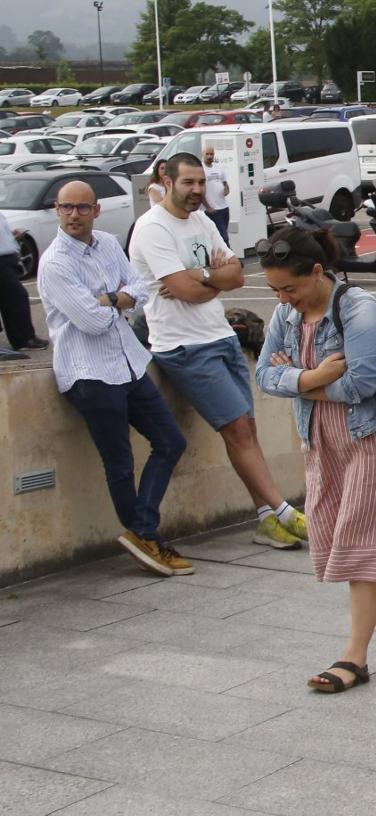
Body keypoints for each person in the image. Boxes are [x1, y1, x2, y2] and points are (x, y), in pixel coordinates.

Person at [255, 227, 376, 694]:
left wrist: (296, 378)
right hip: (321, 441)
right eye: (274, 290)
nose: (284, 299)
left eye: (290, 288)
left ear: (316, 271)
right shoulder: (284, 315)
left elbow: (361, 385)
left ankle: (354, 659)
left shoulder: (358, 308)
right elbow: (263, 374)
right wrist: (313, 375)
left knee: (356, 545)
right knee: (338, 544)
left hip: (373, 439)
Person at [128, 152, 308, 550]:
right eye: (188, 183)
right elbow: (186, 292)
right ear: (166, 179)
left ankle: (266, 520)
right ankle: (283, 511)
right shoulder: (152, 229)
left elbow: (237, 275)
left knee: (246, 429)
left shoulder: (201, 220)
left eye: (200, 183)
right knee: (238, 429)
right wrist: (206, 279)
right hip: (184, 347)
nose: (196, 191)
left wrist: (201, 275)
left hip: (220, 336)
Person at [37, 181, 189, 576]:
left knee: (171, 441)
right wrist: (115, 299)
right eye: (66, 207)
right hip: (89, 374)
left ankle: (141, 531)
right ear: (57, 210)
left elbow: (141, 288)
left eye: (82, 208)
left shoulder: (106, 242)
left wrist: (110, 298)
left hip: (129, 363)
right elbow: (88, 322)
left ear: (96, 210)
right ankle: (147, 537)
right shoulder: (55, 263)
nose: (73, 215)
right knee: (119, 462)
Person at [0, 211, 47, 357]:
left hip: (7, 260)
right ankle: (24, 339)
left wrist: (11, 236)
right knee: (17, 296)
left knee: (13, 298)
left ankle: (24, 338)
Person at [202, 146, 231, 244]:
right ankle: (230, 256)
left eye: (212, 154)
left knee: (222, 235)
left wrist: (226, 189)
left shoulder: (219, 167)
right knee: (224, 237)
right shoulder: (201, 169)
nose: (210, 156)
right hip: (213, 209)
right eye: (207, 154)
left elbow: (225, 184)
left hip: (224, 207)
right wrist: (208, 207)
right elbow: (200, 191)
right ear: (203, 154)